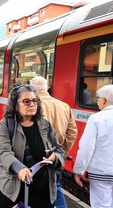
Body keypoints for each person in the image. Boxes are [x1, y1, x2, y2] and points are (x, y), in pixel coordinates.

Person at [0, 85, 65, 208]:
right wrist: (19, 168)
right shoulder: (6, 124)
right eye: (26, 101)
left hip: (43, 191)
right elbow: (2, 151)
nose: (32, 104)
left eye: (34, 101)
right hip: (13, 190)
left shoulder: (45, 125)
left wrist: (55, 158)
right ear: (16, 104)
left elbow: (59, 151)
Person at [30, 76, 77, 208]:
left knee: (31, 190)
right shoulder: (64, 106)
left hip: (35, 159)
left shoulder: (29, 106)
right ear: (47, 88)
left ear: (31, 89)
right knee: (55, 186)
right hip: (56, 157)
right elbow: (72, 132)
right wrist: (61, 153)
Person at [73, 84, 113, 208]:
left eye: (98, 98)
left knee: (100, 205)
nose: (97, 101)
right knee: (111, 203)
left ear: (104, 100)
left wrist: (78, 170)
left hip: (101, 171)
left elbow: (86, 148)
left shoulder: (96, 118)